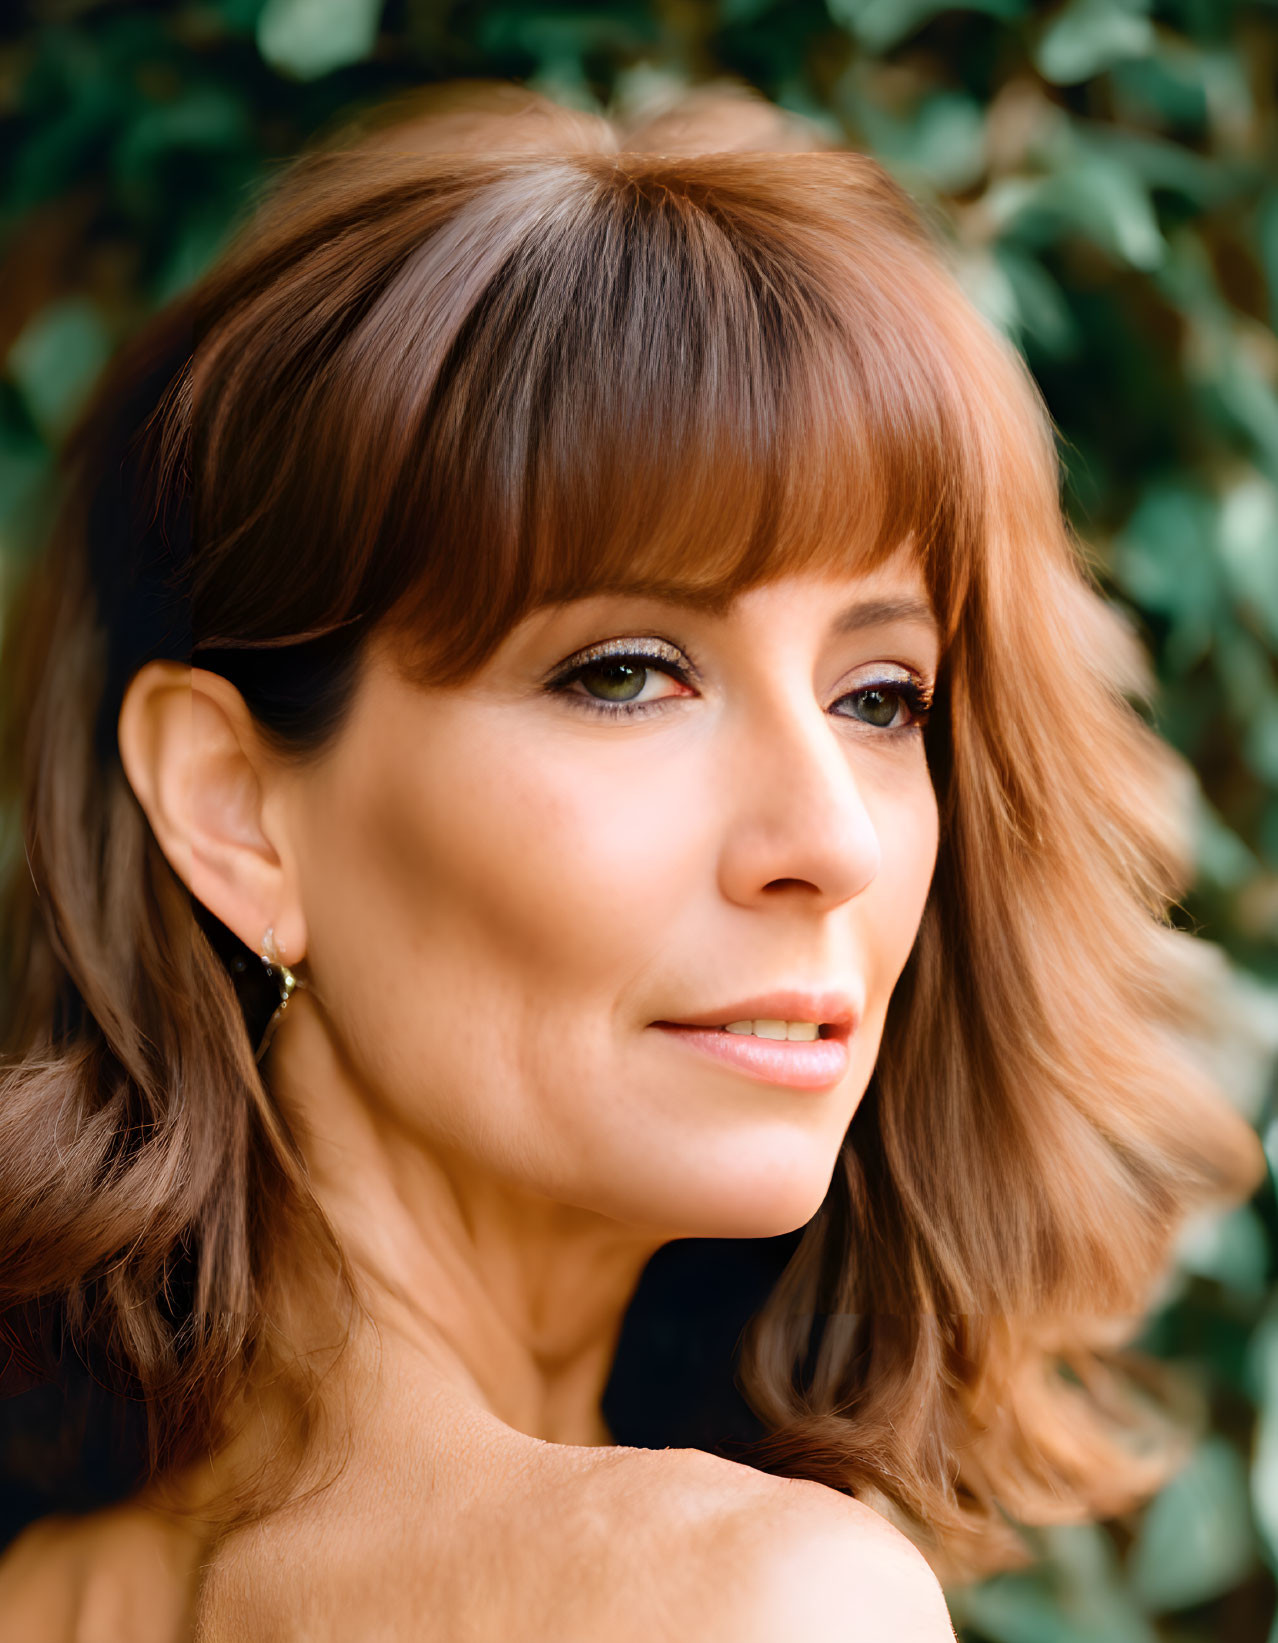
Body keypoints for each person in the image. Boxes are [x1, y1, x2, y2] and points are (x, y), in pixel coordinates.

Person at [0, 83, 1262, 1642]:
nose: (831, 842)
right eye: (623, 672)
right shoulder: (756, 1602)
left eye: (881, 697)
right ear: (236, 810)